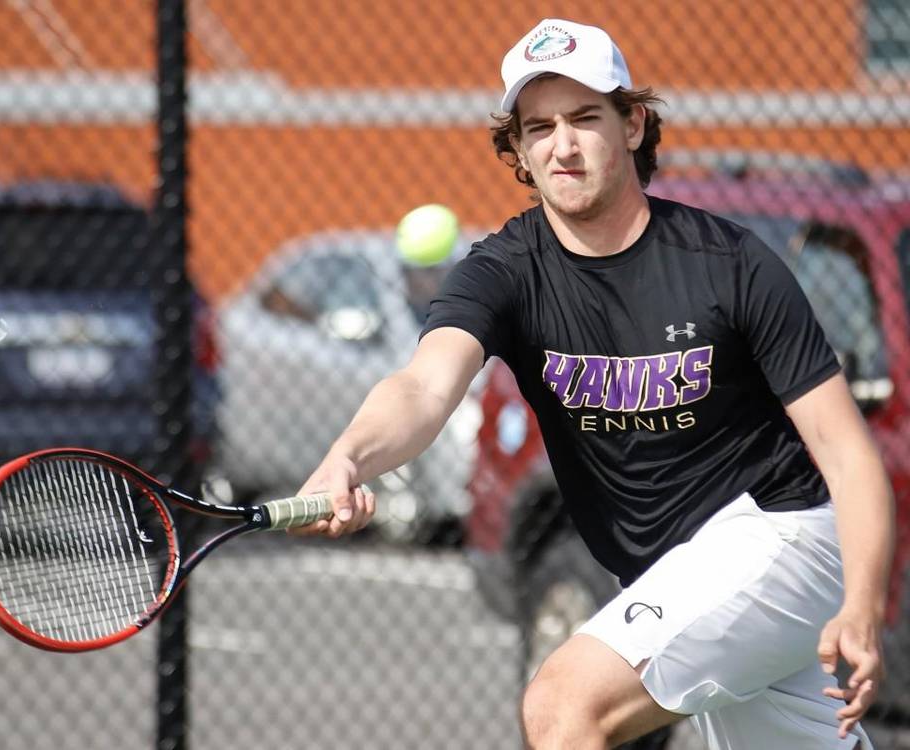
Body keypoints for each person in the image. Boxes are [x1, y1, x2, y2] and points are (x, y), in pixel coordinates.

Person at [293, 17, 893, 750]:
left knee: (564, 704)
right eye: (538, 127)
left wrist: (862, 602)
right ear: (515, 147)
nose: (563, 146)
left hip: (782, 536)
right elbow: (423, 387)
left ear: (634, 123)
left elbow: (847, 452)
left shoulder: (729, 263)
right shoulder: (504, 271)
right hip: (672, 575)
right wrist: (349, 455)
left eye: (584, 118)